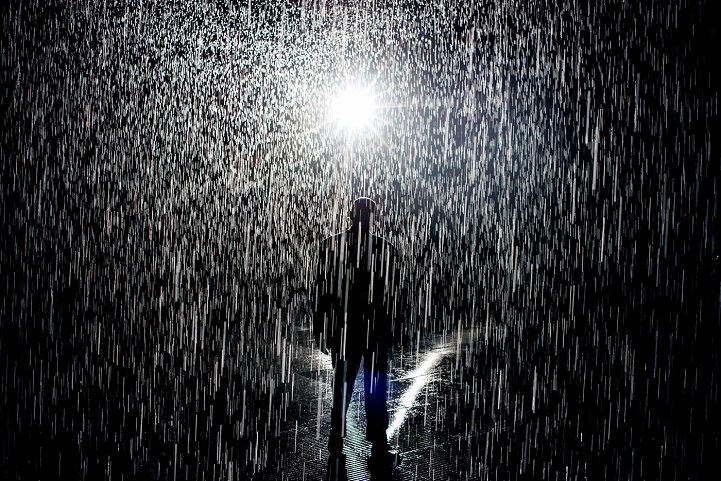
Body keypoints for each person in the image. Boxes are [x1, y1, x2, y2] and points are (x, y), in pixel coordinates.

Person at [313, 197, 402, 474]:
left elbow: (322, 291)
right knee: (375, 389)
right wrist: (395, 329)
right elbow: (393, 296)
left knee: (342, 385)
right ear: (372, 217)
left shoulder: (331, 245)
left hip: (345, 328)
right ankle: (378, 444)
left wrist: (321, 327)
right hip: (374, 330)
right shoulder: (384, 249)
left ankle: (336, 442)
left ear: (350, 215)